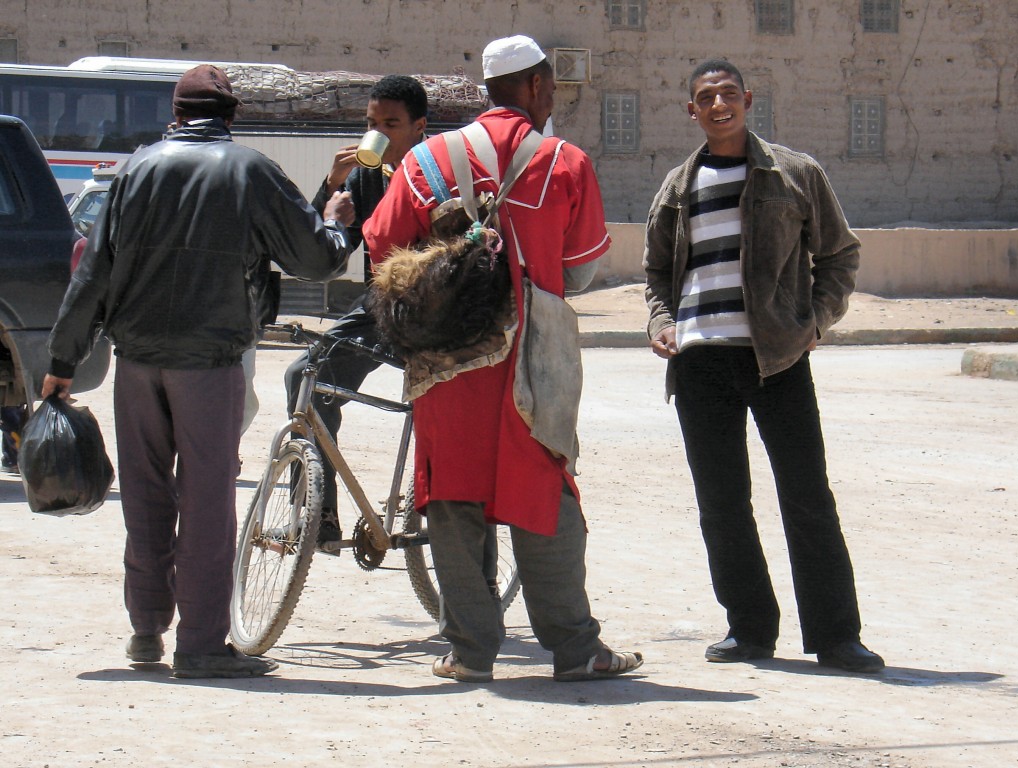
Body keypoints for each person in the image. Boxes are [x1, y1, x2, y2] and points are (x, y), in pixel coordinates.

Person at [40, 64, 351, 679]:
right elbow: (316, 260)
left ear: (175, 115)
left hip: (136, 362)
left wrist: (60, 361)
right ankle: (203, 645)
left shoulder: (135, 168)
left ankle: (146, 631)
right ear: (230, 116)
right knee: (207, 500)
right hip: (209, 364)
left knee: (147, 495)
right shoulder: (251, 170)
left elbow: (92, 274)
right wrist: (338, 222)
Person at [363, 35, 643, 683]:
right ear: (541, 86)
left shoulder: (427, 159)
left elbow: (381, 247)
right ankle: (576, 650)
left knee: (451, 495)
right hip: (530, 358)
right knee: (543, 483)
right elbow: (578, 271)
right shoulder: (563, 160)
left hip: (444, 361)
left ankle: (469, 652)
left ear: (489, 89)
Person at [643, 59, 884, 673]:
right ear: (690, 111)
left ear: (748, 100)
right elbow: (657, 272)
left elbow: (840, 255)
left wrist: (814, 323)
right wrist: (661, 323)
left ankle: (836, 638)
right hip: (700, 362)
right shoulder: (677, 185)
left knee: (807, 496)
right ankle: (749, 629)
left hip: (777, 359)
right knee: (722, 502)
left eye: (728, 94)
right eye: (705, 97)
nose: (718, 104)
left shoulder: (795, 173)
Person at [282, 75, 428, 552]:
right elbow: (322, 255)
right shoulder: (368, 176)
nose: (379, 133)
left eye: (391, 123)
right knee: (305, 375)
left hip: (434, 314)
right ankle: (316, 514)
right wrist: (331, 191)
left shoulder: (437, 172)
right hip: (379, 310)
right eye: (371, 123)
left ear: (418, 128)